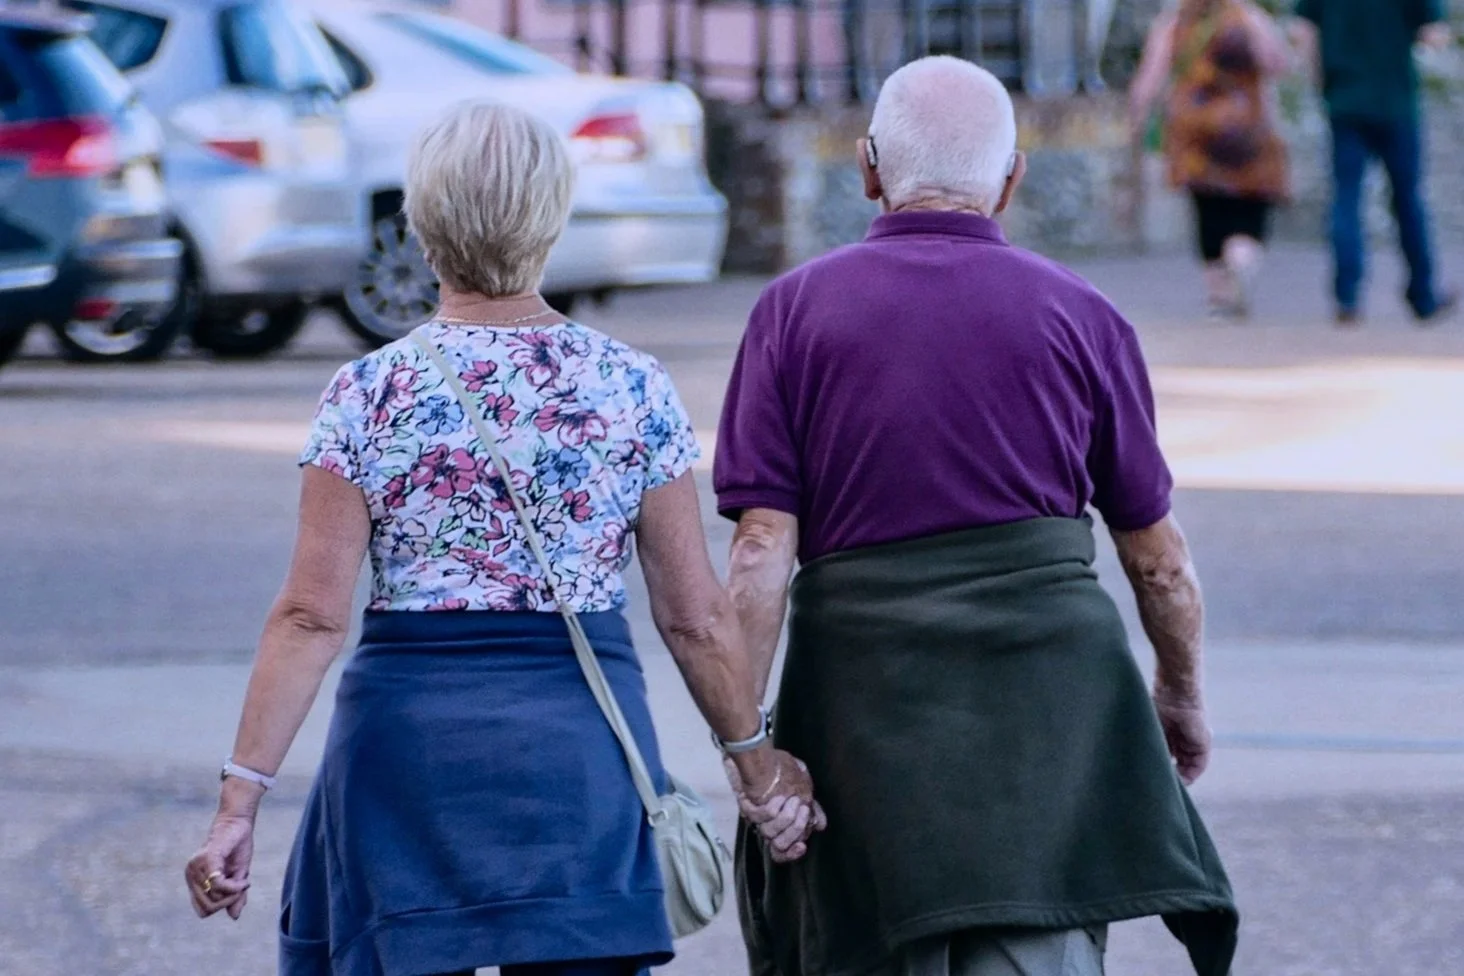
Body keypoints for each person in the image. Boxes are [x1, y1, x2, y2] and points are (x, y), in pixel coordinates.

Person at [183, 100, 822, 976]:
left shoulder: (368, 392)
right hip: (578, 762)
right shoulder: (631, 387)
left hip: (403, 768)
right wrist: (755, 769)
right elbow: (696, 620)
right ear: (552, 217)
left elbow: (310, 620)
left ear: (422, 223)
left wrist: (238, 802)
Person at [716, 57, 1239, 976]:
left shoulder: (791, 312)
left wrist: (750, 748)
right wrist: (1179, 696)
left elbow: (762, 551)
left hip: (862, 734)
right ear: (1012, 178)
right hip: (1048, 737)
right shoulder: (1085, 316)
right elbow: (1158, 561)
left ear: (868, 167)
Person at [1290, 0, 1457, 325]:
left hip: (1345, 100)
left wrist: (1320, 81)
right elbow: (1434, 34)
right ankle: (1422, 294)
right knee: (1407, 198)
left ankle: (1347, 295)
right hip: (1394, 101)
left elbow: (1304, 32)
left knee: (1347, 196)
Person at [1131, 0, 1292, 319]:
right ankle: (1242, 258)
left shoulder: (1175, 21)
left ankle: (1219, 295)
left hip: (1195, 130)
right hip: (1247, 126)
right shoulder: (1248, 18)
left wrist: (1137, 120)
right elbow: (1277, 64)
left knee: (1207, 209)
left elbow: (1150, 77)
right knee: (1251, 207)